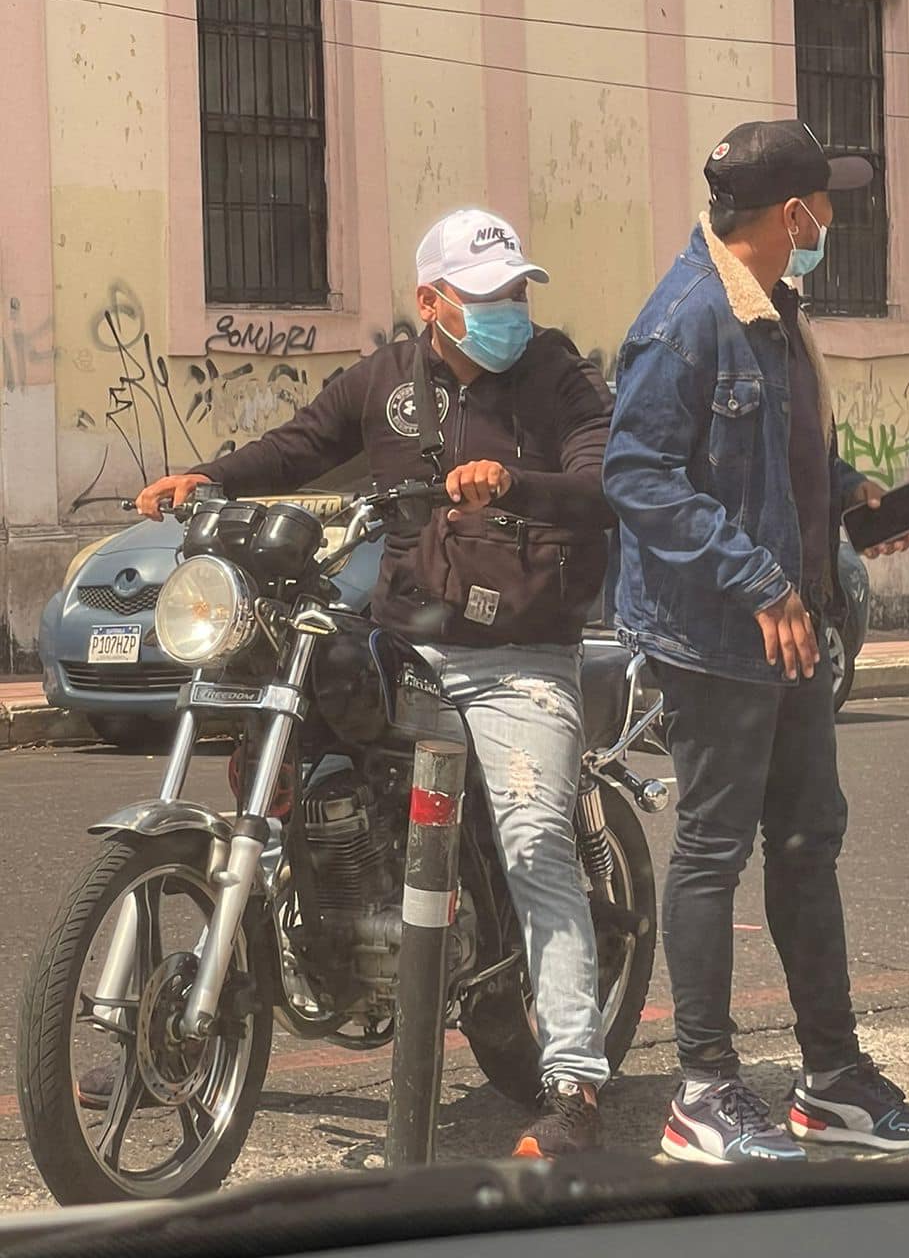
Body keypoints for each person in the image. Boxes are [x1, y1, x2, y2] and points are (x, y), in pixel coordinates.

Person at [135, 209, 615, 1157]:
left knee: (531, 839)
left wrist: (513, 482)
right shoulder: (386, 380)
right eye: (486, 297)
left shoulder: (557, 375)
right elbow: (300, 444)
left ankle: (575, 1083)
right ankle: (206, 1001)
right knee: (292, 741)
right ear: (432, 302)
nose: (508, 309)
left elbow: (605, 479)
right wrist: (204, 475)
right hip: (405, 638)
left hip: (520, 653)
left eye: (516, 291)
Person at [603, 120, 909, 1164]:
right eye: (824, 205)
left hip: (793, 635)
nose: (832, 221)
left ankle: (832, 1077)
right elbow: (638, 473)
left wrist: (855, 500)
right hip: (718, 638)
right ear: (789, 214)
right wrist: (758, 577)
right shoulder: (687, 320)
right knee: (712, 852)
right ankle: (703, 1089)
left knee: (807, 843)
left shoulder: (772, 310)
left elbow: (767, 460)